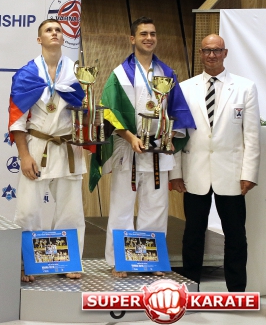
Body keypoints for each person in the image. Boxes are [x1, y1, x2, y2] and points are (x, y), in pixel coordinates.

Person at [90, 16, 196, 277]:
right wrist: (130, 138)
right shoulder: (119, 74)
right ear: (132, 39)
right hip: (129, 151)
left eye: (153, 34)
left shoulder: (167, 74)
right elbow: (109, 112)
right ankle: (120, 261)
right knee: (122, 207)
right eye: (143, 34)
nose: (149, 38)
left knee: (156, 207)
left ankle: (152, 261)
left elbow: (178, 111)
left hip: (158, 152)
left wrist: (169, 137)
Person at [169, 34, 260, 292]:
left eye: (217, 50)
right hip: (194, 173)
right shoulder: (184, 88)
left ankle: (237, 292)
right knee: (193, 235)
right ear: (200, 53)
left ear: (225, 53)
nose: (212, 55)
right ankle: (189, 289)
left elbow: (251, 135)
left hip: (231, 174)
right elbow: (177, 135)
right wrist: (175, 172)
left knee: (235, 235)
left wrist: (249, 173)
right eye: (207, 50)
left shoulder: (245, 88)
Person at [8, 19, 86, 281]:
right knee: (27, 210)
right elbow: (17, 119)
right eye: (48, 30)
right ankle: (24, 263)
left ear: (63, 38)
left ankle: (68, 261)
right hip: (37, 146)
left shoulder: (77, 73)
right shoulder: (27, 74)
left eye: (58, 30)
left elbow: (85, 112)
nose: (54, 33)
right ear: (39, 39)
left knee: (70, 210)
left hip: (68, 147)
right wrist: (24, 155)